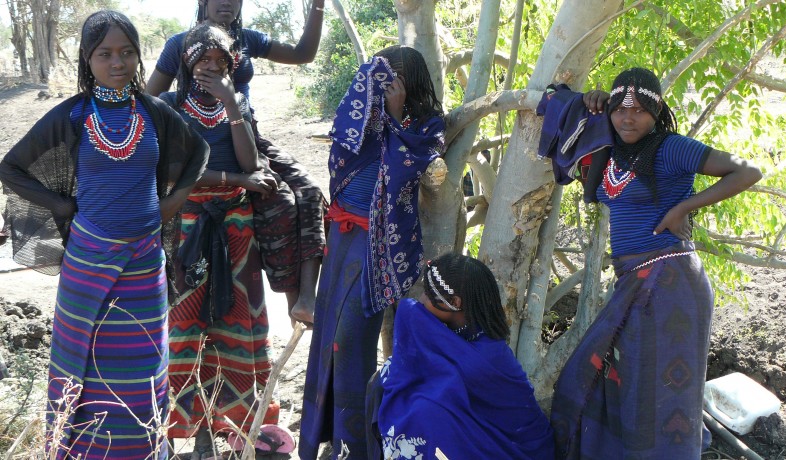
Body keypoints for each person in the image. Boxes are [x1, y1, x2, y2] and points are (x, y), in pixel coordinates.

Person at [0, 10, 209, 459]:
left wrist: (168, 207)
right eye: (105, 54)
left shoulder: (154, 112)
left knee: (142, 364)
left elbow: (199, 151)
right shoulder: (73, 115)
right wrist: (61, 206)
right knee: (84, 366)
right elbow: (10, 167)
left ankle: (141, 449)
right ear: (87, 59)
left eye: (128, 52)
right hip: (88, 261)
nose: (118, 62)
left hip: (143, 265)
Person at [550, 67, 763, 459]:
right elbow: (558, 107)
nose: (628, 118)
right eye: (619, 109)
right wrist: (591, 102)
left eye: (640, 110)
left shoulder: (670, 148)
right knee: (615, 389)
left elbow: (748, 170)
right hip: (637, 282)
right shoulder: (611, 150)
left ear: (658, 110)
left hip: (671, 284)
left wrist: (684, 207)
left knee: (657, 404)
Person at [298, 46, 446, 459]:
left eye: (394, 77)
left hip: (377, 246)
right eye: (377, 75)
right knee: (327, 337)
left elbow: (404, 172)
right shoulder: (360, 117)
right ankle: (319, 437)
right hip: (342, 234)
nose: (383, 84)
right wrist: (379, 110)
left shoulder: (428, 125)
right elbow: (342, 152)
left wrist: (397, 117)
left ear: (411, 81)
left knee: (350, 341)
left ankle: (354, 446)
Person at [157, 23, 293, 459]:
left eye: (221, 63)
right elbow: (178, 173)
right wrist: (237, 178)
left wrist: (233, 104)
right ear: (187, 64)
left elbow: (253, 160)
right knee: (188, 325)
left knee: (237, 325)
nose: (211, 69)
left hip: (236, 230)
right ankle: (195, 434)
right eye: (203, 61)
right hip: (190, 227)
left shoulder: (237, 106)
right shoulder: (170, 106)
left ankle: (233, 429)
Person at [147, 0, 327, 326]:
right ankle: (293, 303)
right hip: (206, 140)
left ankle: (304, 301)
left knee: (310, 191)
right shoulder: (181, 44)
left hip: (245, 133)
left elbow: (303, 54)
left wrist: (318, 5)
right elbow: (150, 100)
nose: (227, 2)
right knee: (278, 200)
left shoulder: (247, 39)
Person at [367, 253, 556, 459]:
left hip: (514, 449)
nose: (421, 300)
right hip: (481, 433)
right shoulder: (456, 330)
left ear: (455, 302)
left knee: (424, 414)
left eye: (430, 295)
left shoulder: (486, 357)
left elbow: (446, 389)